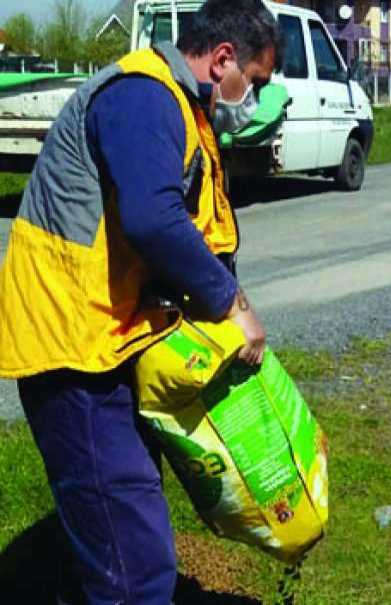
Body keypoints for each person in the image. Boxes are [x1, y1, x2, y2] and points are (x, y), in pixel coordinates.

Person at [0, 0, 281, 602]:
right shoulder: (143, 97)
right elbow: (154, 221)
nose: (252, 98)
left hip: (106, 339)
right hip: (72, 348)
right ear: (223, 58)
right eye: (253, 82)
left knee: (124, 515)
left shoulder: (174, 104)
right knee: (133, 559)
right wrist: (233, 306)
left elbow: (187, 230)